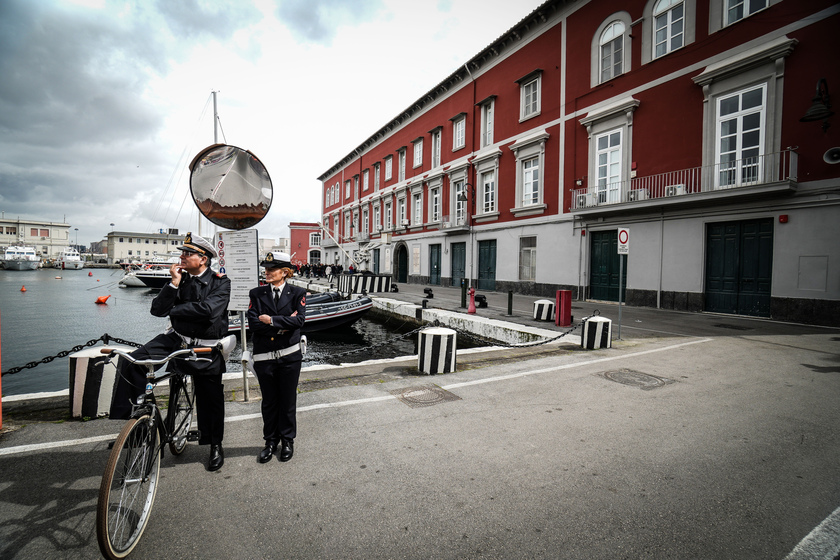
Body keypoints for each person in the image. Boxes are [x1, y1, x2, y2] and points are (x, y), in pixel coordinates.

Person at [109, 232, 231, 472]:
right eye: (182, 253)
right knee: (133, 362)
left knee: (210, 398)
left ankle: (214, 443)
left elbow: (208, 311)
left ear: (203, 258)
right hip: (175, 338)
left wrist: (175, 309)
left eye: (188, 253)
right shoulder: (179, 279)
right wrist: (173, 284)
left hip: (205, 344)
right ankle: (136, 425)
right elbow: (157, 310)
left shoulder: (220, 282)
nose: (182, 257)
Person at [246, 251, 306, 463]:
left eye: (272, 269)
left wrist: (270, 321)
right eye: (266, 269)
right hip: (264, 357)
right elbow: (252, 324)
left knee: (288, 400)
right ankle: (270, 441)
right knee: (269, 401)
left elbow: (299, 322)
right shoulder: (256, 293)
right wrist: (283, 324)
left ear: (285, 272)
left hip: (290, 357)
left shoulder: (298, 293)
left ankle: (287, 440)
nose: (267, 272)